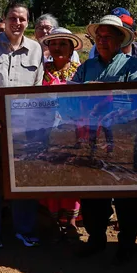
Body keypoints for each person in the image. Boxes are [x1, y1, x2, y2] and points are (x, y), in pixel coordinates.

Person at [72, 14, 137, 264]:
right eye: (100, 37)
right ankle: (96, 239)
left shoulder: (132, 67)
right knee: (93, 191)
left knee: (126, 193)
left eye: (108, 37)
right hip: (92, 139)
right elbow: (70, 95)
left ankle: (127, 242)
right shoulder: (86, 67)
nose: (103, 41)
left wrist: (109, 95)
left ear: (119, 39)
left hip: (123, 139)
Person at [0, 2, 44, 249]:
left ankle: (24, 229)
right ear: (4, 19)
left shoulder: (36, 50)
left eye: (22, 19)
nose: (17, 23)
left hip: (23, 125)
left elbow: (37, 91)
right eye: (12, 18)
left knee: (24, 177)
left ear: (28, 22)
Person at [39, 27, 84, 241]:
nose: (58, 48)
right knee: (50, 171)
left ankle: (72, 220)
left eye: (63, 44)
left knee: (72, 173)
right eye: (53, 44)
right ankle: (52, 217)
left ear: (71, 47)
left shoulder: (80, 71)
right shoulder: (41, 70)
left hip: (74, 131)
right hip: (45, 131)